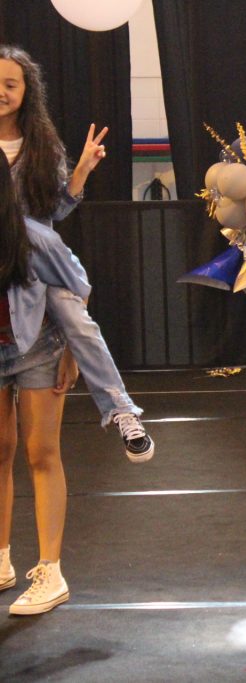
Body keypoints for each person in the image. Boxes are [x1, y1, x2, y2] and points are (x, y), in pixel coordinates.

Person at [0, 44, 153, 462]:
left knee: (77, 320)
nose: (2, 92)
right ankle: (78, 284)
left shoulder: (41, 146)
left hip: (37, 268)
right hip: (18, 257)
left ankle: (121, 410)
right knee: (45, 249)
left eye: (11, 84)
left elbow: (55, 210)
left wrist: (82, 170)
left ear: (26, 91)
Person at [1, 151, 90, 614]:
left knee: (41, 452)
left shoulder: (34, 236)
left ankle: (50, 571)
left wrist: (72, 354)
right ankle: (1, 560)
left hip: (38, 345)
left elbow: (78, 288)